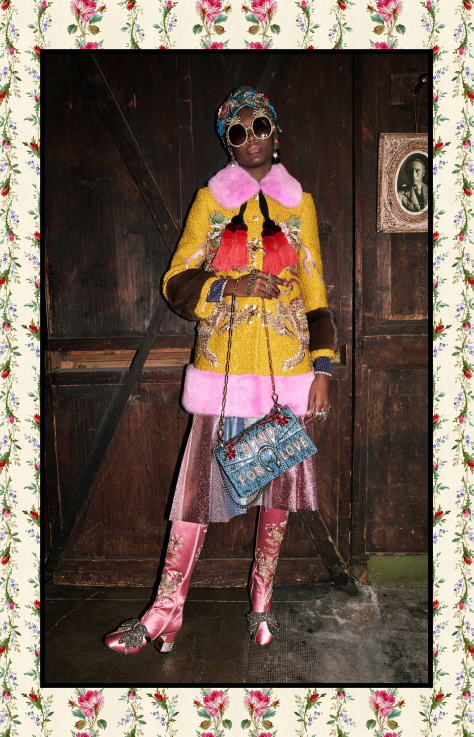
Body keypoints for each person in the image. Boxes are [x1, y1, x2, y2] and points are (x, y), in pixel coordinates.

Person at [103, 85, 337, 655]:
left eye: (260, 126)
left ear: (276, 135)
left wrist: (324, 369)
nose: (251, 137)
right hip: (222, 372)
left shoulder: (299, 205)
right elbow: (174, 281)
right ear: (227, 143)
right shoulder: (210, 203)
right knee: (194, 498)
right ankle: (165, 610)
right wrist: (227, 286)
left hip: (286, 374)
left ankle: (261, 602)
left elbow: (315, 292)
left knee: (276, 496)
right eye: (238, 130)